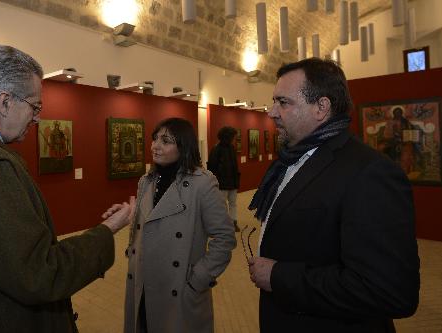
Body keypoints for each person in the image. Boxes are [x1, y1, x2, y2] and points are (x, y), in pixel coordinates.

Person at [0, 44, 134, 332]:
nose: (37, 118)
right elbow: (39, 274)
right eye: (35, 106)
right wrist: (107, 229)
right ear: (4, 102)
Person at [247, 58, 420, 332]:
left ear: (321, 107)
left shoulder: (369, 173)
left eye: (283, 102)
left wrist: (280, 276)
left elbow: (390, 291)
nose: (271, 112)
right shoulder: (291, 160)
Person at [123, 118, 236, 333]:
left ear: (183, 146)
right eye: (155, 138)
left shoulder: (202, 183)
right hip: (143, 285)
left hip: (179, 289)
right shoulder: (146, 181)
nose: (156, 145)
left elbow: (225, 237)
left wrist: (198, 279)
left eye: (166, 141)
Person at [207, 126, 241, 232]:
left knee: (233, 203)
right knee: (221, 205)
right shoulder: (216, 149)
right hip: (221, 183)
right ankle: (221, 225)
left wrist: (236, 181)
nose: (233, 138)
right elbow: (212, 168)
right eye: (232, 136)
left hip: (233, 182)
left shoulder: (231, 148)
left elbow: (235, 166)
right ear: (227, 136)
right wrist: (216, 182)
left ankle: (233, 222)